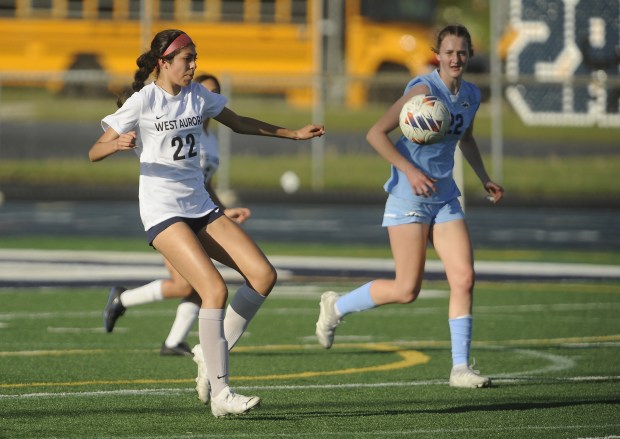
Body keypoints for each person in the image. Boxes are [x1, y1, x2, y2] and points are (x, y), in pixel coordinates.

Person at [89, 29, 324, 417]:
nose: (193, 65)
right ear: (164, 62)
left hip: (199, 205)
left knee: (263, 276)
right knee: (213, 290)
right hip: (162, 210)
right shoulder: (143, 101)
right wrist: (115, 145)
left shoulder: (198, 96)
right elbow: (93, 151)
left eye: (195, 57)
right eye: (187, 59)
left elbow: (240, 122)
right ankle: (221, 394)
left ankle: (208, 354)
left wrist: (293, 134)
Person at [314, 24, 503, 388]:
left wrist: (484, 177)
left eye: (462, 52)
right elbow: (375, 134)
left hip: (445, 195)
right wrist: (411, 171)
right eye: (448, 52)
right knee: (406, 289)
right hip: (409, 195)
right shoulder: (422, 89)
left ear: (470, 55)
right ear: (438, 54)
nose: (455, 58)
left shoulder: (471, 95)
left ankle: (460, 368)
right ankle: (335, 307)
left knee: (463, 277)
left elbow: (467, 138)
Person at [102, 73, 252, 358]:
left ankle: (172, 342)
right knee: (189, 283)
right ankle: (123, 299)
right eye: (204, 91)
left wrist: (222, 209)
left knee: (201, 284)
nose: (206, 99)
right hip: (168, 212)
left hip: (197, 209)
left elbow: (202, 182)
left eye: (214, 93)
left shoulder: (209, 138)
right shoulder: (173, 119)